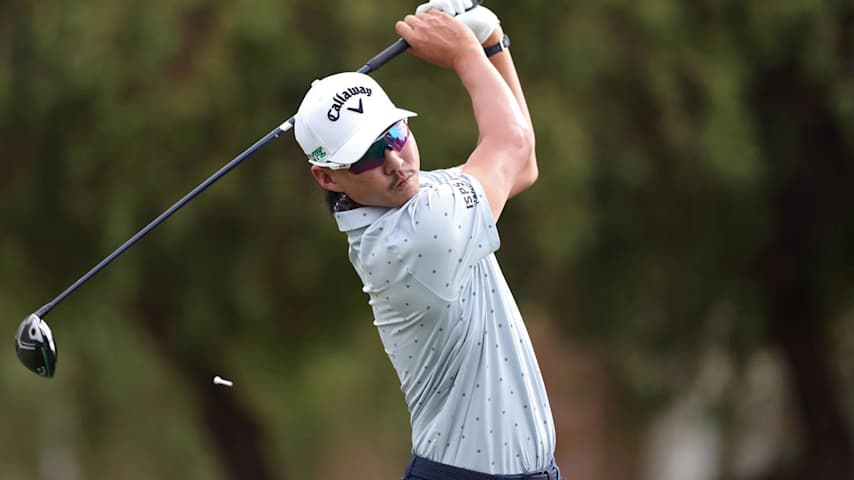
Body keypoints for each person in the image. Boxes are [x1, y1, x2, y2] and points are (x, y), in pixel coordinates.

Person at [294, 2, 562, 479]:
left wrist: (491, 42)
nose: (395, 162)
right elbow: (511, 144)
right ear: (327, 177)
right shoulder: (417, 235)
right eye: (367, 156)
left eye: (394, 136)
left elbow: (521, 165)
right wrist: (464, 52)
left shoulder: (419, 199)